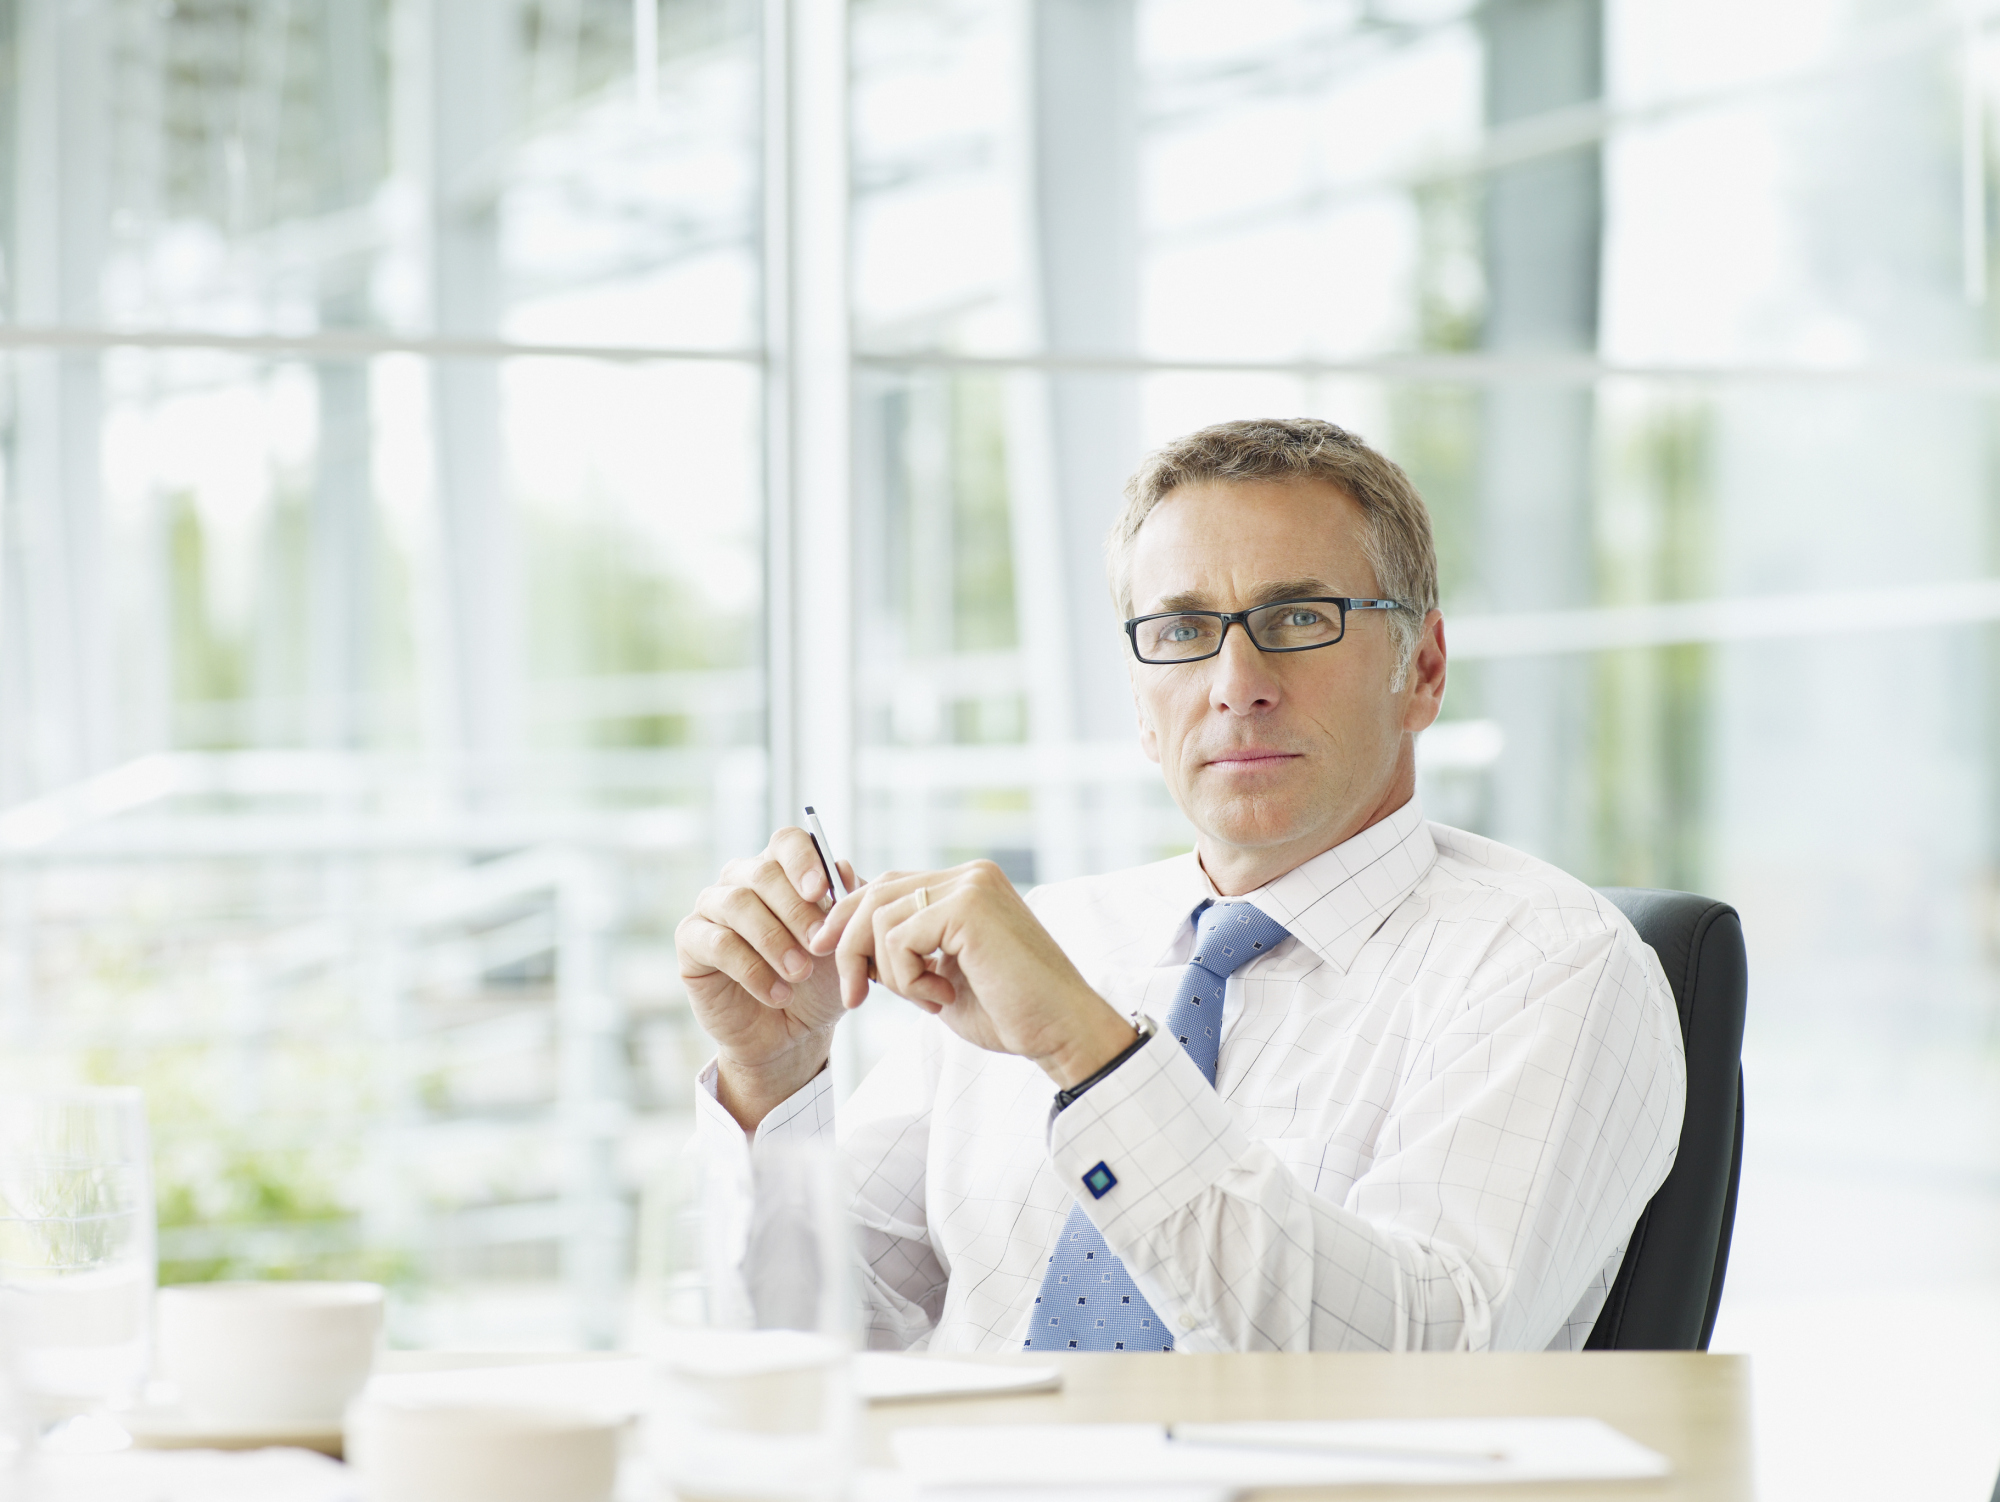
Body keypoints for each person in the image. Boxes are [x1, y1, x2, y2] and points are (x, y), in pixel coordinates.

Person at [674, 417, 1685, 1354]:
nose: (1234, 679)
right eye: (1180, 628)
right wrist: (773, 1076)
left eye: (1297, 616)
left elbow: (1422, 1353)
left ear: (1419, 667)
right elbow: (798, 1341)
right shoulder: (1046, 936)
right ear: (1140, 703)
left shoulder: (1552, 962)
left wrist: (1090, 1054)